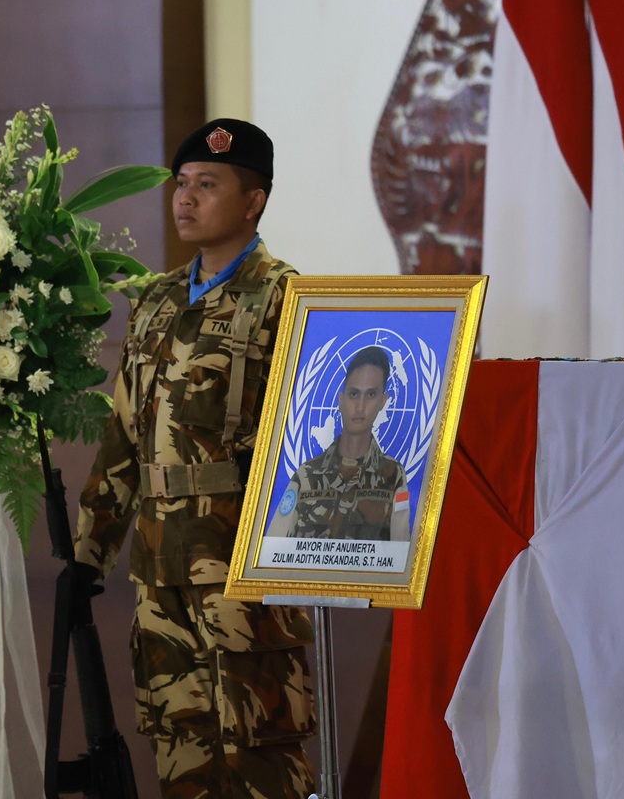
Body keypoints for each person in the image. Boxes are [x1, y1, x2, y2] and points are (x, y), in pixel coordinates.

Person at [73, 118, 316, 797]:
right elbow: (123, 435)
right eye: (182, 183)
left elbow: (309, 437)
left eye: (207, 185)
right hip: (160, 567)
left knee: (260, 753)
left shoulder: (285, 297)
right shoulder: (156, 300)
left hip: (242, 567)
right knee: (181, 748)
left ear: (253, 200)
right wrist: (90, 552)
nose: (185, 198)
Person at [266, 346, 411, 542]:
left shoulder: (393, 475)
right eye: (353, 394)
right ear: (341, 400)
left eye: (370, 395)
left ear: (382, 401)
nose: (360, 407)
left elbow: (400, 550)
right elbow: (274, 547)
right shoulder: (307, 475)